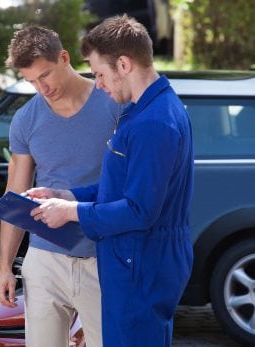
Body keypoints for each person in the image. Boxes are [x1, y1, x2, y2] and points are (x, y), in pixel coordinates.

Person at [27, 15, 194, 347]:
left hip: (140, 263)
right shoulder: (143, 111)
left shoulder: (153, 123)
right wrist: (66, 194)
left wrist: (72, 212)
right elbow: (121, 187)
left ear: (124, 64)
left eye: (100, 74)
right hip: (138, 260)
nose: (99, 84)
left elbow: (139, 210)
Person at [0, 25, 123, 347]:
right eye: (31, 81)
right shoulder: (25, 119)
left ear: (64, 58)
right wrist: (5, 267)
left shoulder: (114, 104)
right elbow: (15, 195)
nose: (41, 87)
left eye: (45, 75)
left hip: (102, 257)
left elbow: (128, 186)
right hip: (44, 258)